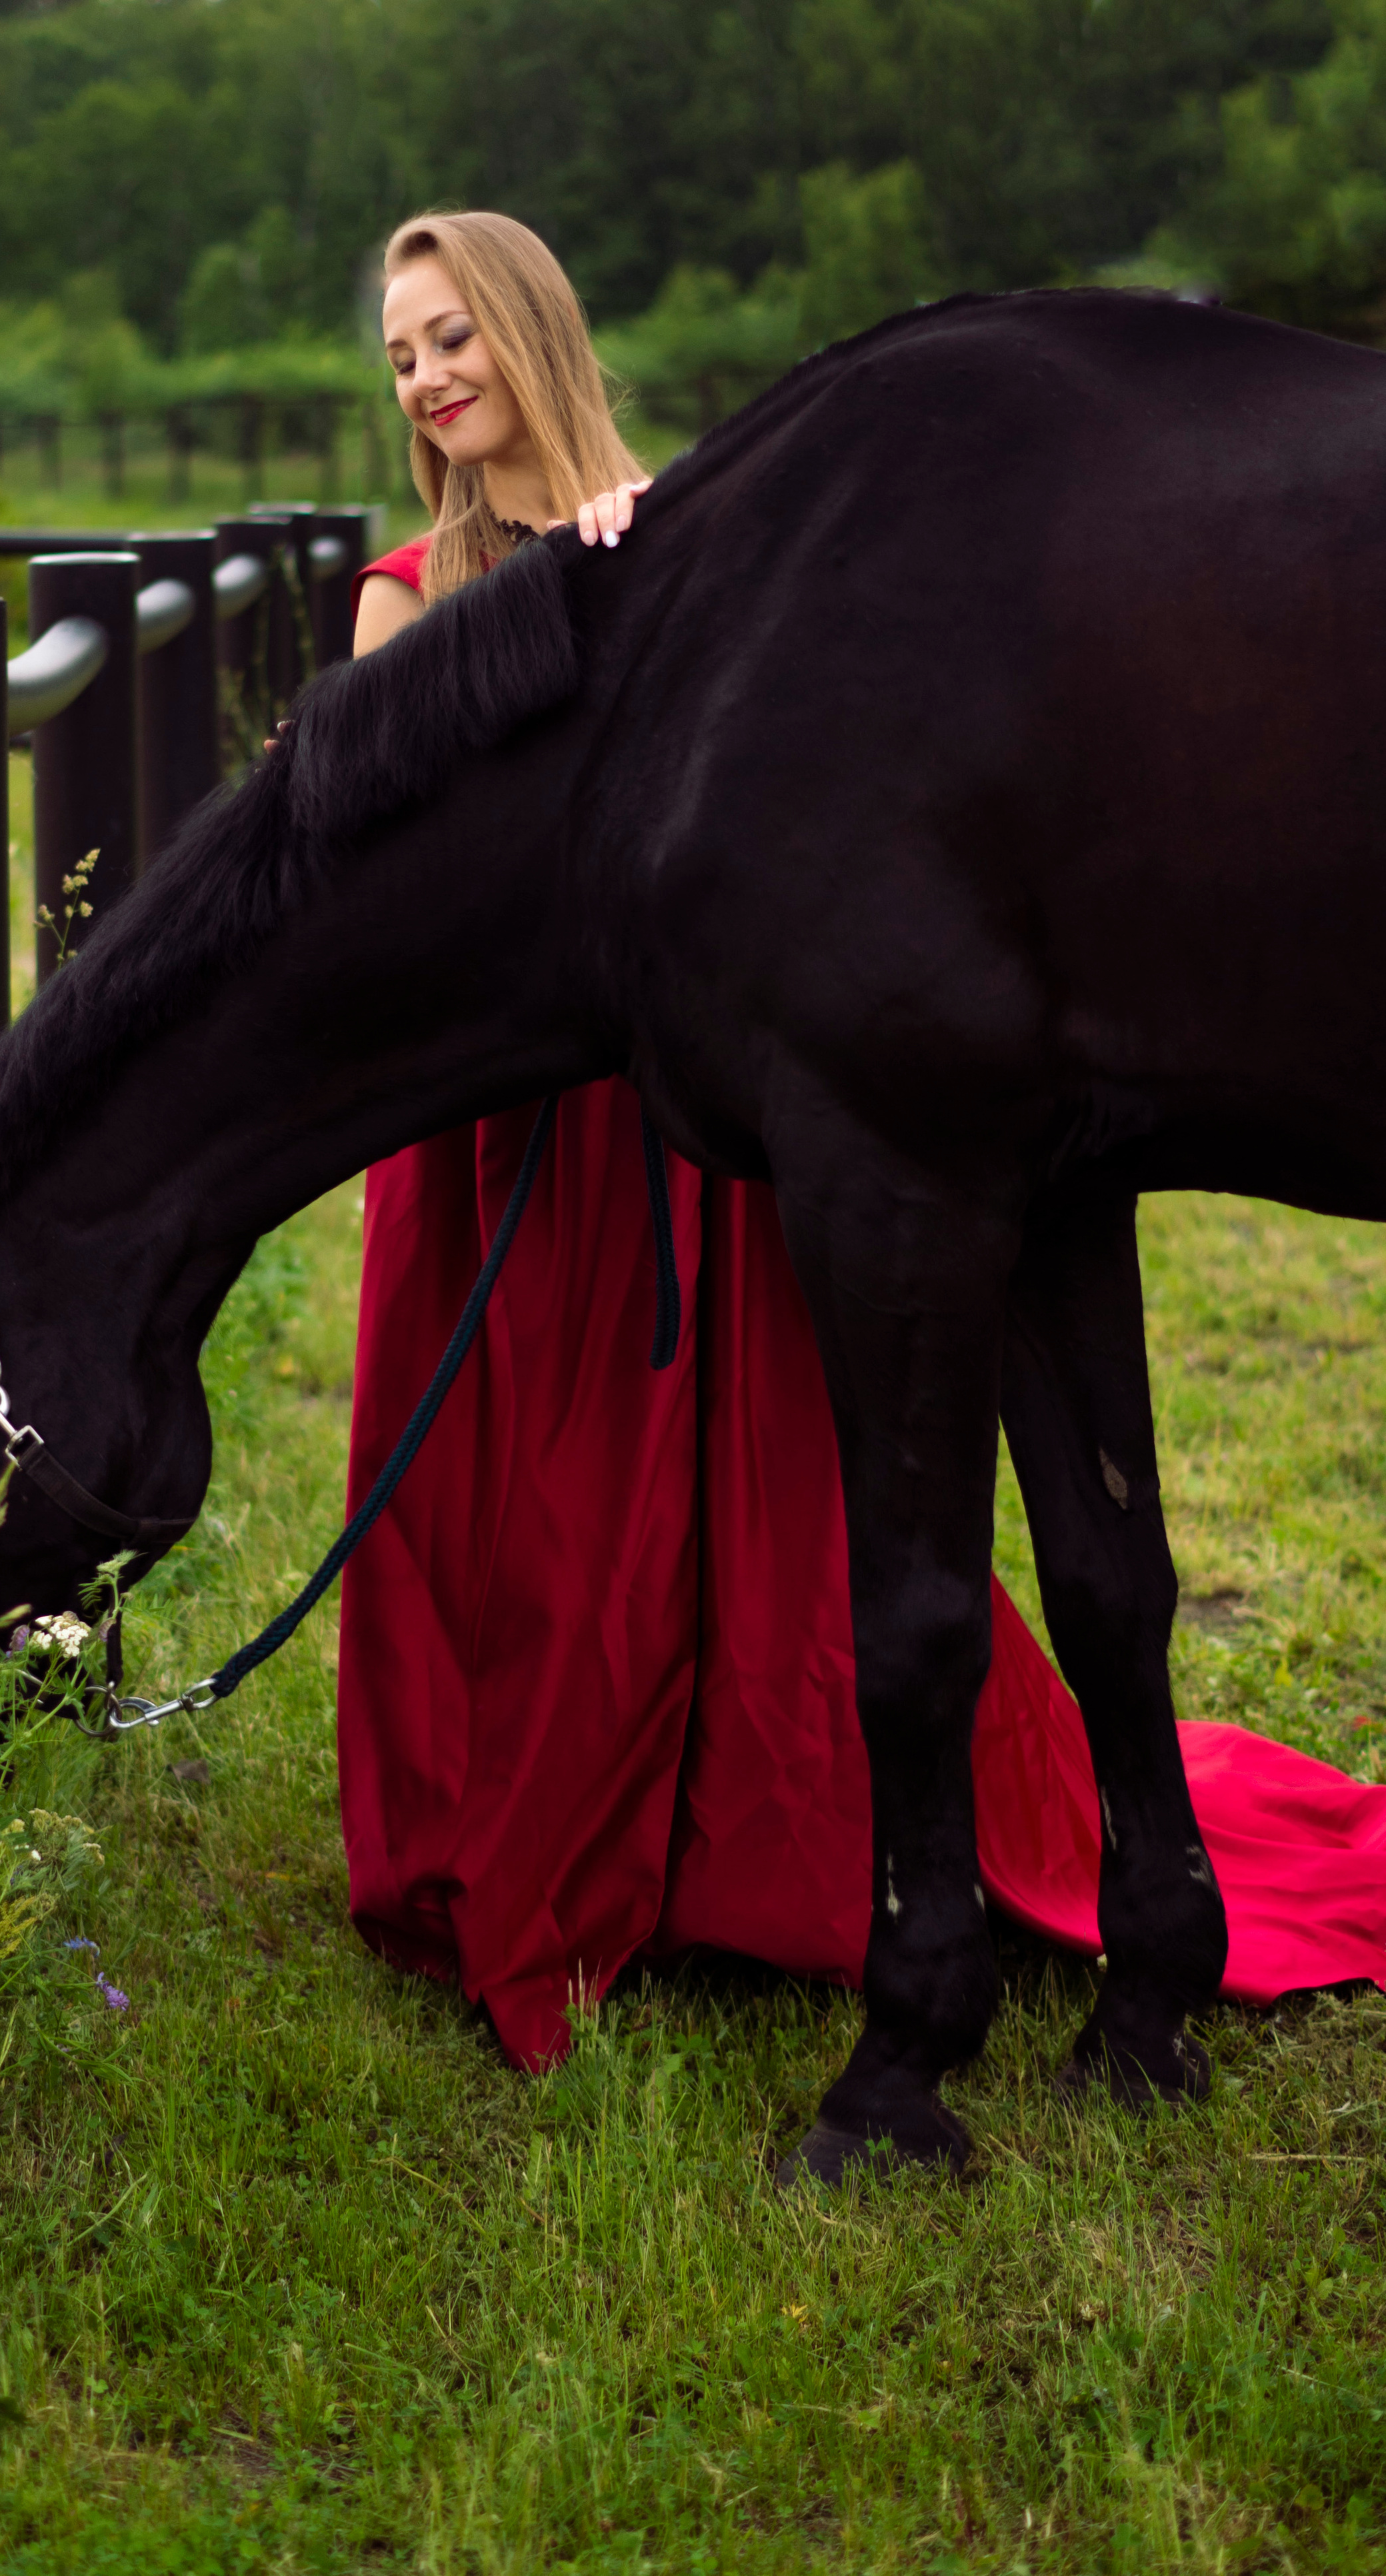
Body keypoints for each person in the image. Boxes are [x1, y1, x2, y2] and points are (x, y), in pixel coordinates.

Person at [337, 209, 1386, 2070]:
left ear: (527, 329)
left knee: (773, 1502)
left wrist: (625, 576)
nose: (425, 381)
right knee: (552, 1508)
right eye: (402, 358)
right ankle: (571, 1836)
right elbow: (391, 855)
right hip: (539, 1123)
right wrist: (536, 611)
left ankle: (764, 1836)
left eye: (447, 336)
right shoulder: (416, 587)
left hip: (716, 1106)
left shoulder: (695, 548)